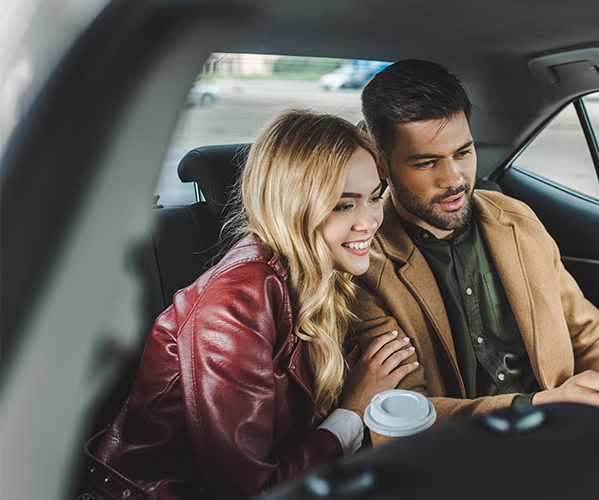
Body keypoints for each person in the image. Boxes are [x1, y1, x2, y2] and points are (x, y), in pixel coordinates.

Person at [82, 110, 418, 500]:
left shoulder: (319, 276)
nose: (370, 220)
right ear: (293, 207)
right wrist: (354, 411)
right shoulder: (233, 307)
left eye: (375, 197)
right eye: (344, 205)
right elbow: (253, 491)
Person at [351, 59, 599, 425]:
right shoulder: (365, 267)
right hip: (470, 454)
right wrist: (538, 406)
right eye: (426, 163)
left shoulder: (517, 220)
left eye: (463, 153)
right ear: (382, 165)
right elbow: (404, 410)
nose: (454, 179)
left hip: (574, 430)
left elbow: (586, 334)